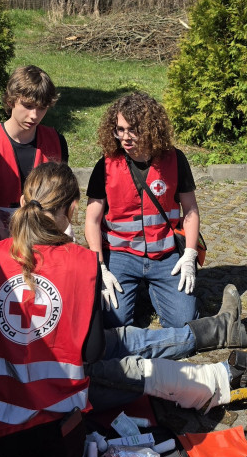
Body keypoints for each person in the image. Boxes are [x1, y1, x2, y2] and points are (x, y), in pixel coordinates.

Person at [0, 162, 247, 457]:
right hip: (59, 405)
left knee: (129, 339)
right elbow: (91, 353)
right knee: (142, 368)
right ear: (71, 210)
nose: (0, 214)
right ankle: (233, 372)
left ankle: (218, 332)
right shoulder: (76, 261)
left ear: (22, 202)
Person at [84, 92, 201, 329]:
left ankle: (146, 292)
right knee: (111, 326)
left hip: (164, 255)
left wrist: (189, 254)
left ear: (150, 129)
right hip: (120, 255)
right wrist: (100, 267)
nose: (125, 137)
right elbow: (92, 220)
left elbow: (190, 209)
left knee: (184, 323)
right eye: (120, 129)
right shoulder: (105, 165)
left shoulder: (175, 160)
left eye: (133, 130)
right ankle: (135, 294)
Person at [0, 65, 68, 224]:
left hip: (43, 239)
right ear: (11, 101)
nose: (34, 115)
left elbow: (62, 200)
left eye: (42, 108)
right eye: (28, 106)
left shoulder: (57, 142)